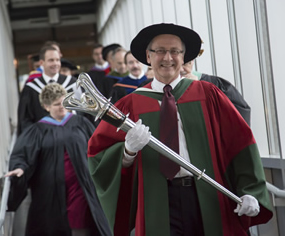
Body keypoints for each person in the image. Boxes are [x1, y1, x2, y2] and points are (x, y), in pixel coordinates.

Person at [87, 23, 273, 236]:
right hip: (156, 201)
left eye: (175, 51)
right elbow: (98, 156)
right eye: (160, 51)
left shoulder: (209, 95)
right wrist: (127, 150)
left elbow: (240, 144)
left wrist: (251, 191)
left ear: (184, 57)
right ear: (148, 57)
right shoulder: (130, 104)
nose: (168, 58)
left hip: (208, 196)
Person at [6, 83, 112, 236]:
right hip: (49, 191)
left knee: (80, 222)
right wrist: (20, 167)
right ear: (46, 106)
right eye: (56, 104)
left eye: (64, 102)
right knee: (53, 225)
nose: (62, 106)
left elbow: (99, 148)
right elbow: (23, 154)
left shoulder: (80, 123)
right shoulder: (37, 130)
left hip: (80, 186)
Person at [17, 45, 78, 136]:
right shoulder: (31, 88)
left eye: (57, 60)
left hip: (71, 135)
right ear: (42, 63)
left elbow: (84, 112)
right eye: (51, 60)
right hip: (44, 139)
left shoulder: (72, 84)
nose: (55, 64)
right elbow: (25, 119)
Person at [181, 60, 251, 126]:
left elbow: (241, 122)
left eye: (185, 63)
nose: (180, 69)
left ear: (192, 61)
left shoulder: (217, 85)